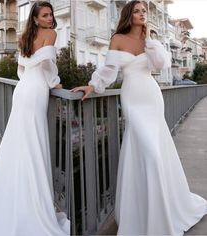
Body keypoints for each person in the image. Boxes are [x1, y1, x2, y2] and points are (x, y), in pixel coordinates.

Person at [72, 1, 207, 235]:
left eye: (144, 11)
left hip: (151, 95)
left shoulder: (150, 41)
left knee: (155, 151)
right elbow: (109, 71)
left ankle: (160, 209)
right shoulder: (118, 39)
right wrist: (92, 86)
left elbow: (161, 65)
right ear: (128, 14)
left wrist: (151, 42)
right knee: (145, 150)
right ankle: (143, 212)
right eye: (137, 10)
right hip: (132, 97)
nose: (142, 14)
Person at [0, 2, 70, 235]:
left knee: (19, 142)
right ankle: (32, 200)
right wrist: (55, 83)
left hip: (23, 89)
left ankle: (15, 195)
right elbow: (47, 64)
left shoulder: (26, 37)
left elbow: (21, 70)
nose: (49, 18)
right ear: (35, 19)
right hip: (35, 92)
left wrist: (35, 79)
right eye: (44, 15)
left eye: (50, 14)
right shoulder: (51, 34)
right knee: (33, 141)